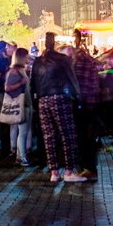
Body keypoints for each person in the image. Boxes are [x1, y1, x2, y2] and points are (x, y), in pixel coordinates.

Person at [31, 32, 86, 183]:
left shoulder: (38, 61)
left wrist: (35, 102)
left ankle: (54, 172)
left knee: (49, 137)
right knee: (67, 134)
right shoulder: (63, 60)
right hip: (60, 97)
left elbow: (32, 84)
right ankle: (69, 171)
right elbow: (72, 79)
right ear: (55, 42)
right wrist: (77, 97)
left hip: (43, 99)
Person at [70, 31, 101, 177]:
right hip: (93, 103)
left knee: (82, 136)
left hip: (82, 103)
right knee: (90, 135)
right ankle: (91, 167)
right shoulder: (90, 60)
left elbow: (75, 83)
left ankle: (85, 167)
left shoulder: (77, 61)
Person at [4, 48, 33, 166]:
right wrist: (21, 83)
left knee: (23, 132)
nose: (28, 58)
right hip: (21, 104)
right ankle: (22, 158)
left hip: (25, 103)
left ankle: (19, 156)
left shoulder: (20, 70)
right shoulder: (14, 71)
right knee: (23, 132)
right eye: (26, 56)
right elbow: (7, 88)